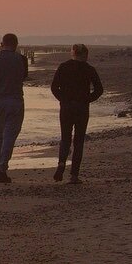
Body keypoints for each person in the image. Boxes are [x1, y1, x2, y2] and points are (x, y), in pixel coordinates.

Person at [49, 43, 103, 183]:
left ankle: (61, 164)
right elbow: (99, 89)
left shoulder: (63, 66)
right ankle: (74, 175)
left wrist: (63, 99)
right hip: (82, 108)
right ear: (85, 55)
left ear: (73, 53)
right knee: (79, 140)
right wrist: (88, 99)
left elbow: (54, 87)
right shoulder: (89, 69)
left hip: (66, 107)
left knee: (65, 137)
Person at [0, 33, 28, 183]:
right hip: (15, 100)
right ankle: (2, 168)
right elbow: (23, 77)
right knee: (9, 136)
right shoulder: (22, 59)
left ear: (1, 44)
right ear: (16, 45)